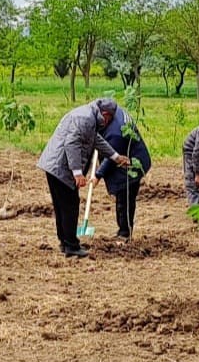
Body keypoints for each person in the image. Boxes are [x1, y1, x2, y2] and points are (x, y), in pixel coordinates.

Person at [37, 98, 130, 258]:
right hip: (61, 167)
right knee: (69, 205)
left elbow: (95, 140)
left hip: (53, 164)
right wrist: (77, 173)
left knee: (61, 205)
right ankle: (72, 246)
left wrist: (115, 157)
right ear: (106, 115)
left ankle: (65, 241)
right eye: (110, 119)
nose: (109, 123)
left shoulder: (89, 116)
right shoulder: (85, 118)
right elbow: (71, 144)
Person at [95, 104, 152, 239]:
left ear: (106, 115)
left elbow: (111, 157)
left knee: (124, 198)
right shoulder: (113, 110)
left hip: (132, 164)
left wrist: (98, 175)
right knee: (123, 198)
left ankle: (124, 233)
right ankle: (123, 230)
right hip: (125, 156)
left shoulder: (116, 133)